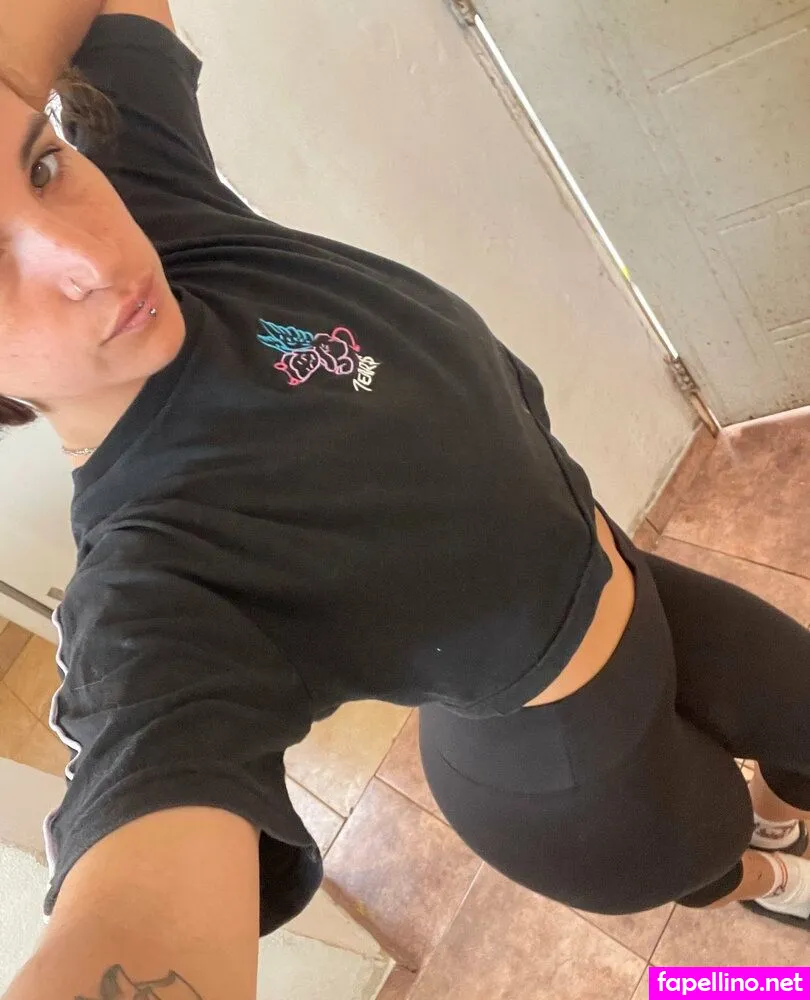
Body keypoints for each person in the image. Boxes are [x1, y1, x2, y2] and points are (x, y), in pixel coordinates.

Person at [2, 3, 809, 997]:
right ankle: (771, 879)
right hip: (573, 785)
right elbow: (136, 850)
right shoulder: (155, 581)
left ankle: (780, 819)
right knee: (718, 849)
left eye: (42, 166)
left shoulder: (159, 210)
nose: (91, 258)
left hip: (630, 585)